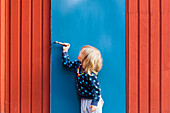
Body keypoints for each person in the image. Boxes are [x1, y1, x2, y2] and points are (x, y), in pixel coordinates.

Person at [62, 43, 104, 113]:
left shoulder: (90, 74)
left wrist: (95, 103)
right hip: (84, 99)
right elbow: (67, 64)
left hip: (92, 101)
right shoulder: (78, 65)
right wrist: (65, 51)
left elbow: (96, 89)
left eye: (81, 53)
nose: (79, 52)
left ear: (85, 58)